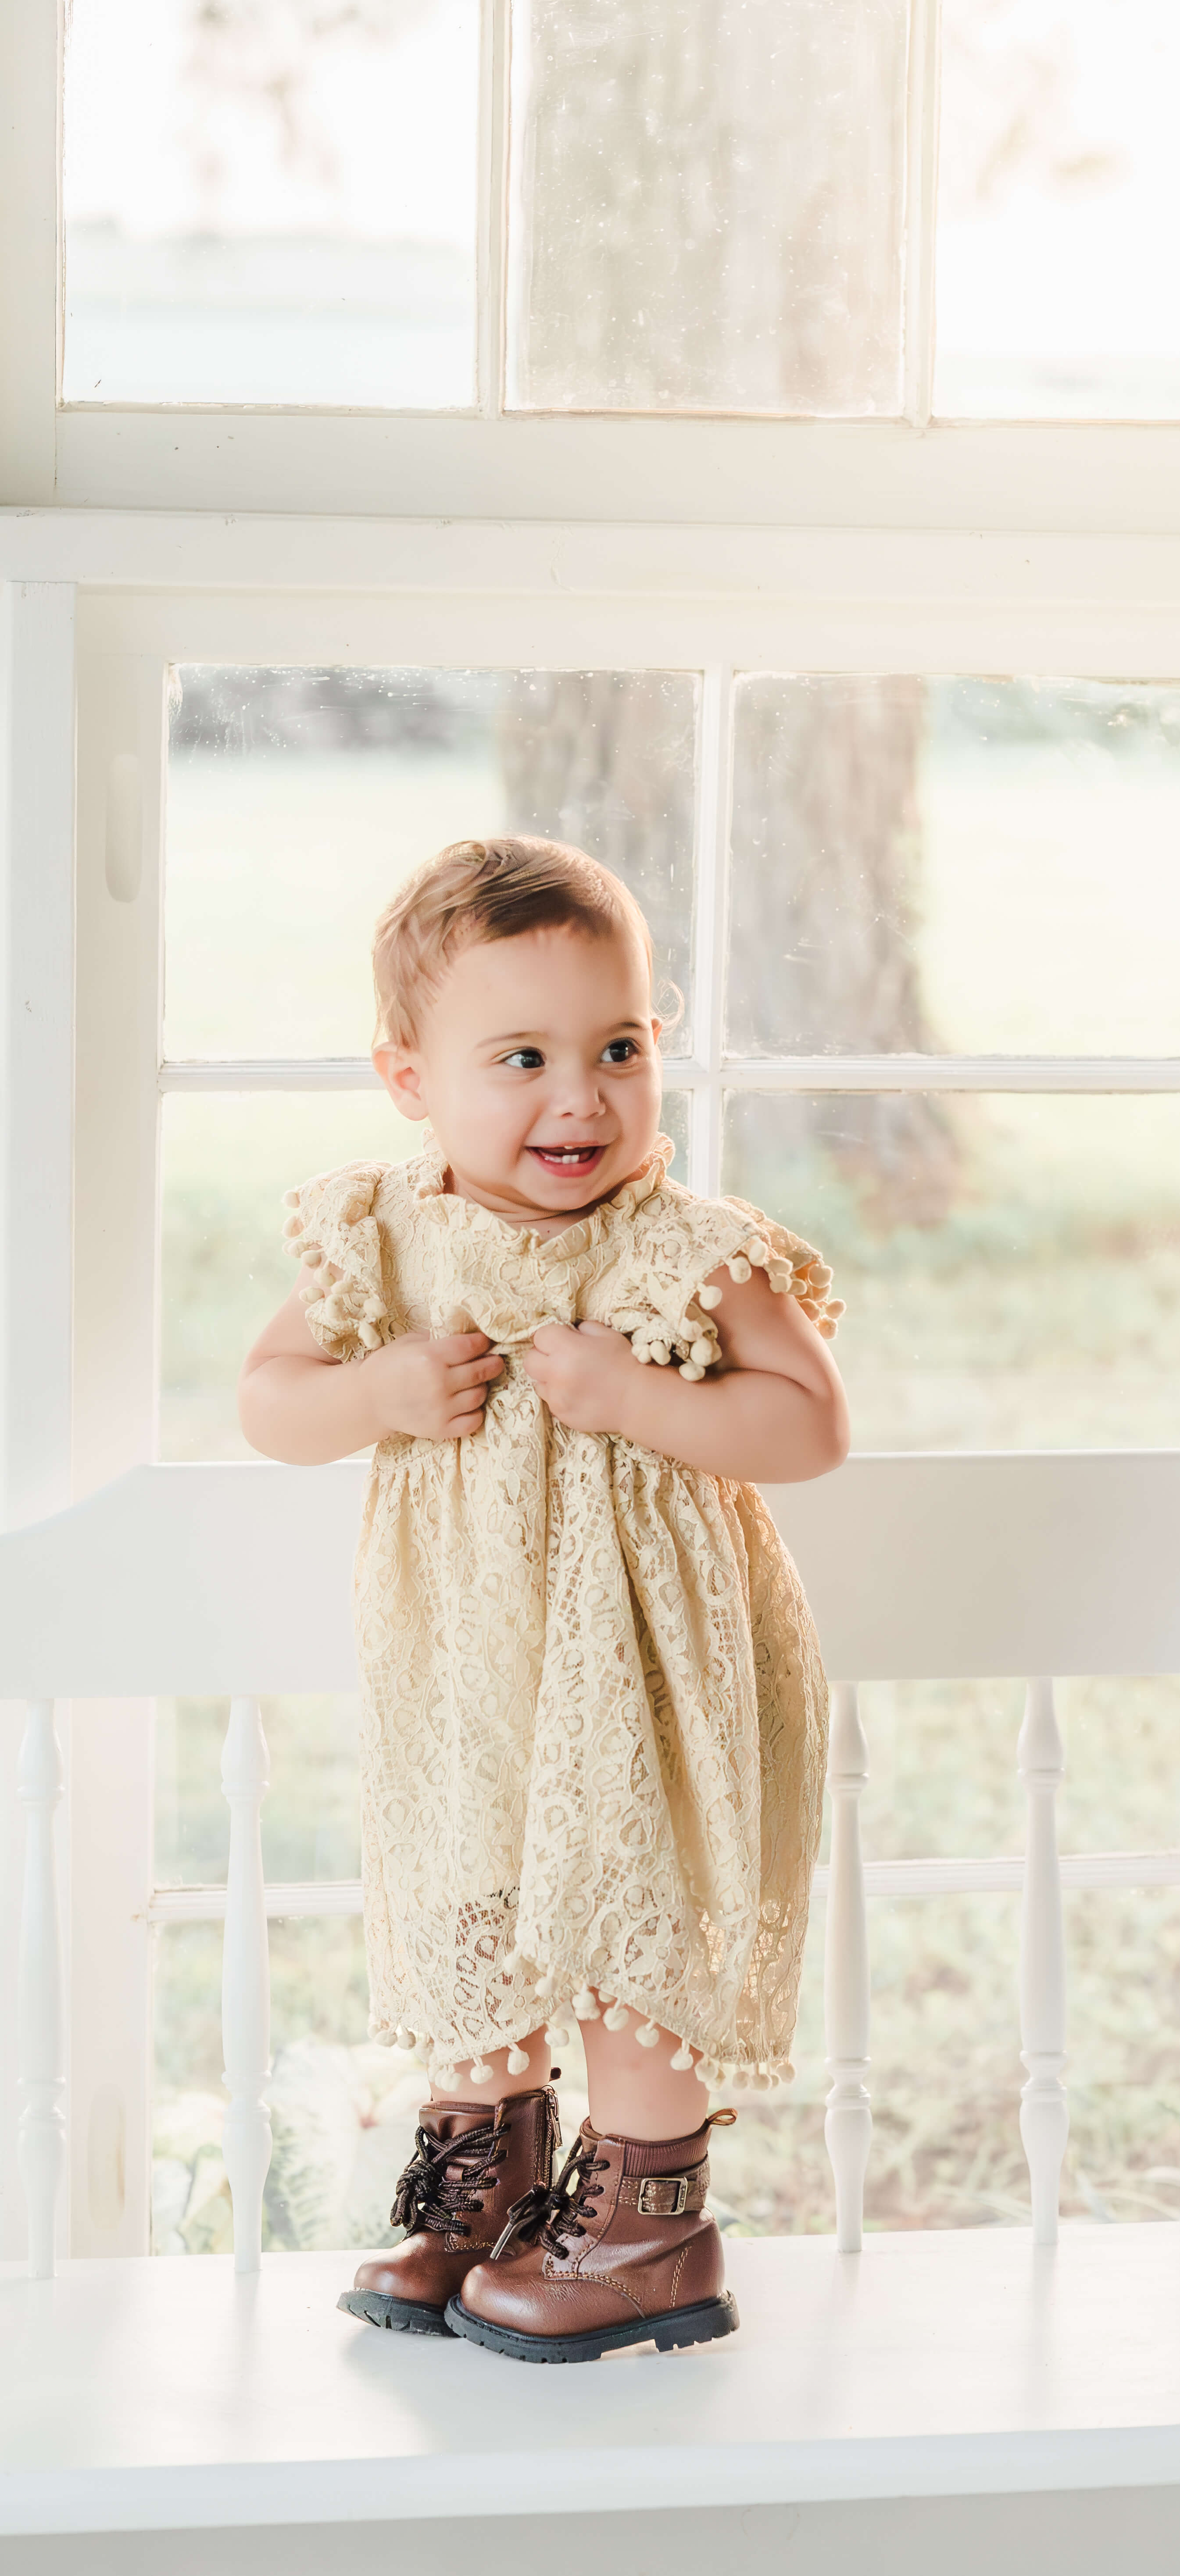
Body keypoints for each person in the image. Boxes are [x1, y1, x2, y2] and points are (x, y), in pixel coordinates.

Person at [238, 835, 847, 2364]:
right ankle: (496, 2184)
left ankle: (648, 2222)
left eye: (620, 1049)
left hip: (640, 1665)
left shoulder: (684, 1249)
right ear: (408, 1076)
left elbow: (808, 1422)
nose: (580, 1098)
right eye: (522, 1057)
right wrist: (378, 1386)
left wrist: (640, 1396)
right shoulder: (386, 1233)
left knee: (623, 1908)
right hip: (466, 1659)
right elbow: (268, 1397)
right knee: (473, 1890)